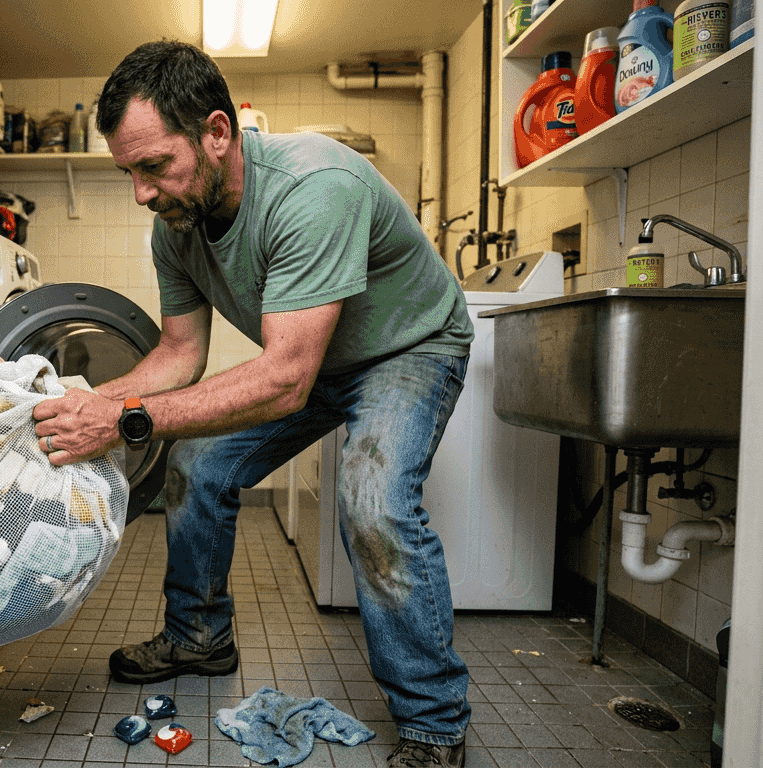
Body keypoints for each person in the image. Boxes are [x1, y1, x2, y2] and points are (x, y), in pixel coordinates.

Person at [29, 41, 474, 768]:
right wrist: (66, 402)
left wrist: (125, 420)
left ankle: (434, 722)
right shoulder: (175, 226)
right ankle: (198, 637)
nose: (141, 192)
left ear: (216, 132)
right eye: (128, 172)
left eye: (154, 166)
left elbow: (285, 379)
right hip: (314, 359)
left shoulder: (314, 187)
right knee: (197, 462)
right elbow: (179, 354)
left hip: (409, 346)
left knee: (373, 501)